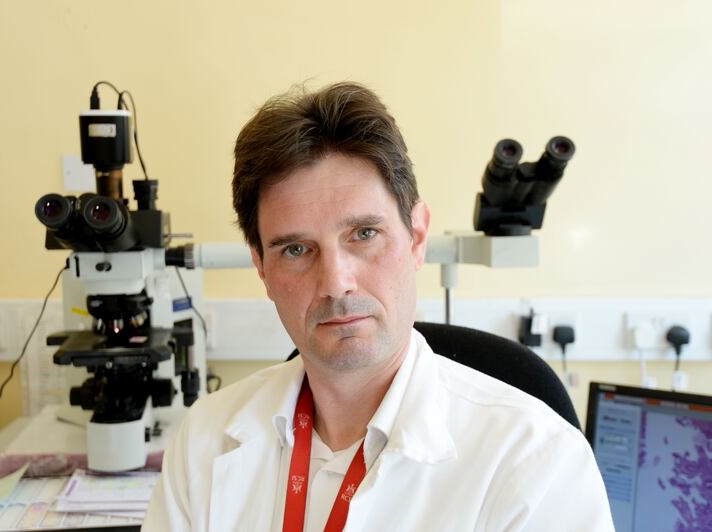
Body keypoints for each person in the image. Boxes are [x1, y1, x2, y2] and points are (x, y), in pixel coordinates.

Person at [143, 82, 614, 531]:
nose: (335, 282)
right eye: (295, 250)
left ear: (418, 237)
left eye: (364, 235)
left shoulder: (537, 464)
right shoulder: (204, 440)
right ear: (261, 268)